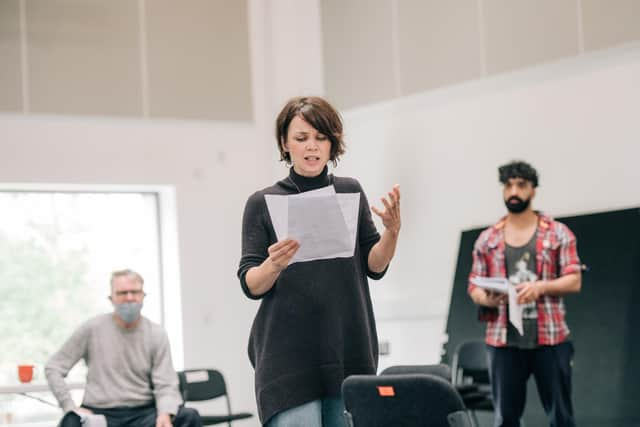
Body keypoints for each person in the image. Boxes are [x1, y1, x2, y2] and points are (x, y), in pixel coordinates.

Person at [237, 96, 401, 426]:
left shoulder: (349, 191)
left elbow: (374, 264)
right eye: (301, 138)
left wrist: (392, 232)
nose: (311, 147)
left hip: (347, 346)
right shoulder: (262, 202)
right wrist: (274, 265)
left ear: (332, 143)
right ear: (285, 143)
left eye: (320, 137)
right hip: (288, 357)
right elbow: (250, 283)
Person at [468, 161, 582, 427]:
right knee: (505, 419)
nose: (514, 191)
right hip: (503, 342)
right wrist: (487, 298)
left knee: (561, 417)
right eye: (508, 185)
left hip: (551, 339)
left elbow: (574, 280)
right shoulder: (487, 239)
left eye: (521, 184)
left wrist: (540, 287)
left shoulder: (558, 233)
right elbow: (474, 286)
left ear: (533, 190)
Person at [45, 269, 201, 427]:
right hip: (99, 414)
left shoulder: (156, 333)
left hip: (143, 414)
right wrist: (69, 406)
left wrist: (165, 414)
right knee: (71, 422)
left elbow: (166, 383)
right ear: (111, 298)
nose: (129, 298)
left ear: (143, 296)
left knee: (189, 416)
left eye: (135, 292)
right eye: (122, 293)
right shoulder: (92, 329)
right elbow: (54, 367)